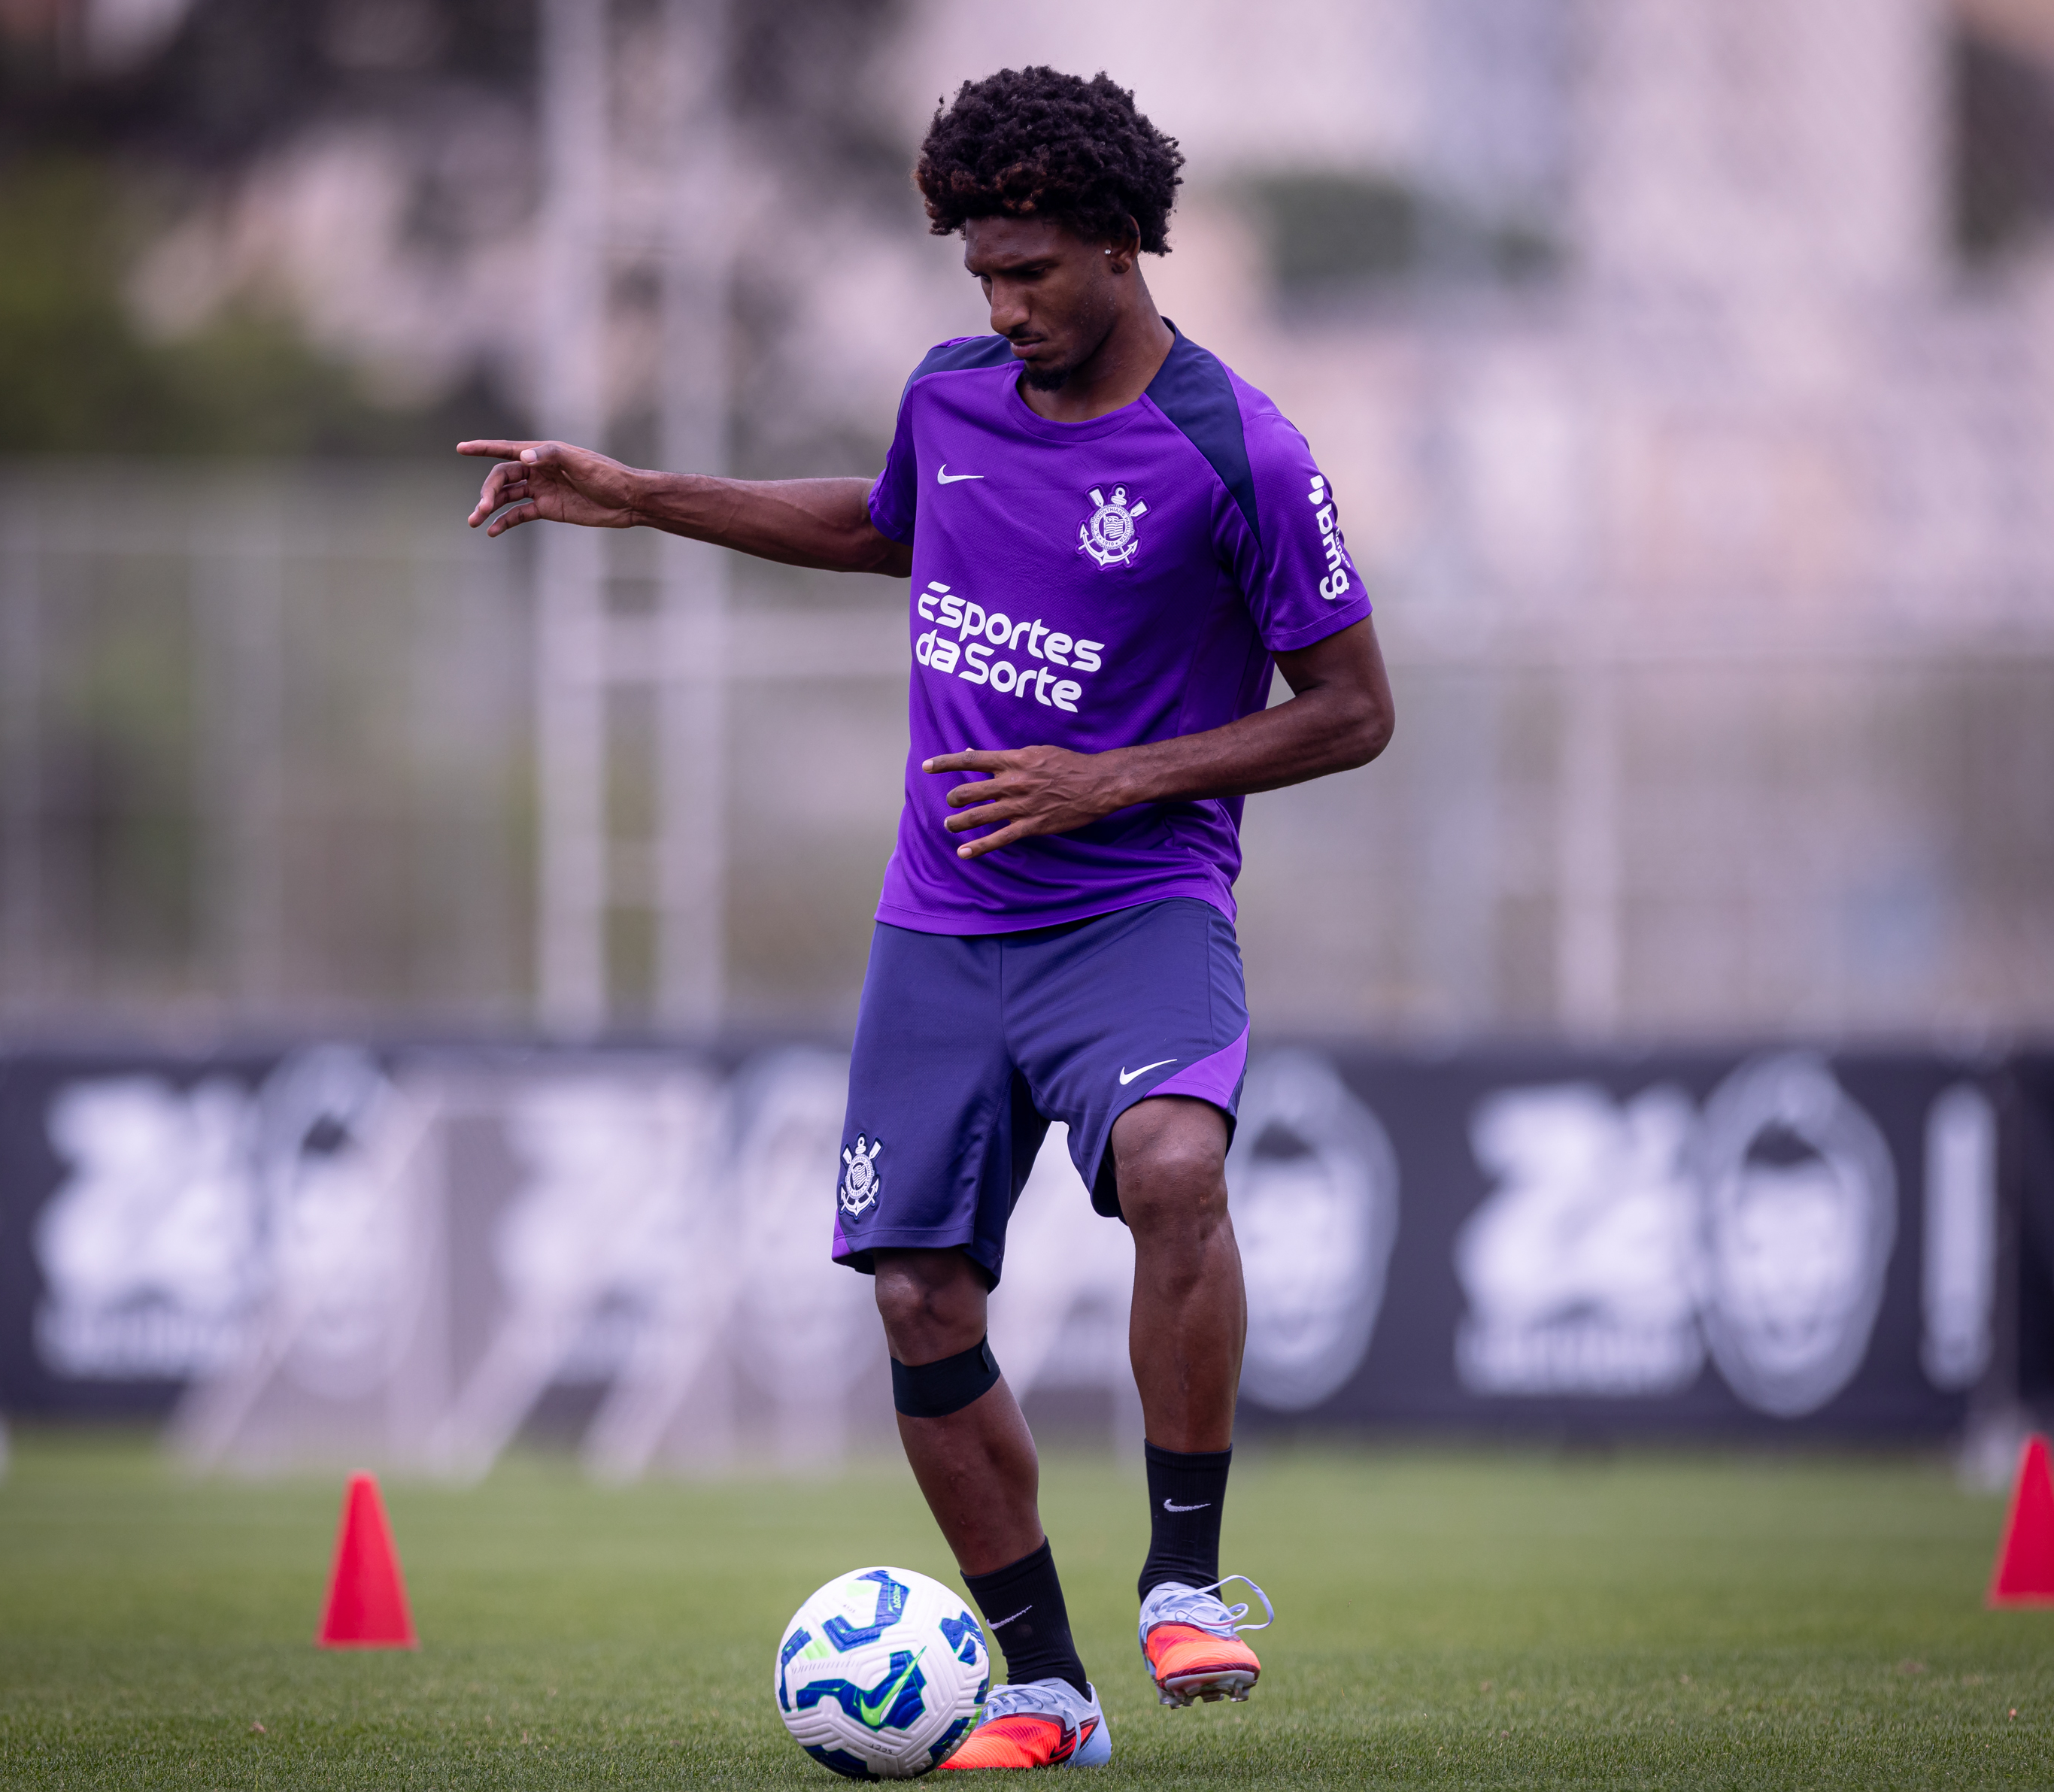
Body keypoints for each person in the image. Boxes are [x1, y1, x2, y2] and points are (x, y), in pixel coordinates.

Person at [461, 65, 1393, 1772]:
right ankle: (1042, 1689)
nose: (1004, 301)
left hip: (1135, 903)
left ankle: (1188, 1582)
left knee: (1176, 1169)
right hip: (943, 922)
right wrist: (642, 491)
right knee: (915, 1298)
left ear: (1122, 244)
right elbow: (886, 526)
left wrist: (1107, 782)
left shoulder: (1236, 446)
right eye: (979, 270)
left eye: (1032, 267)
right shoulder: (953, 396)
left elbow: (1351, 709)